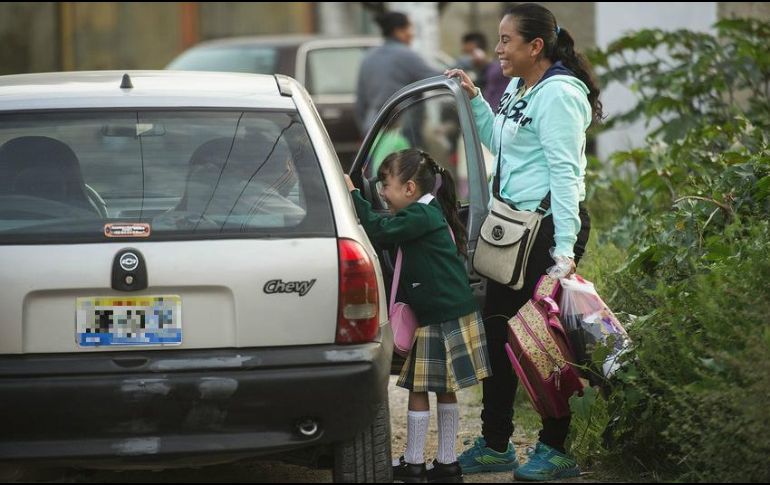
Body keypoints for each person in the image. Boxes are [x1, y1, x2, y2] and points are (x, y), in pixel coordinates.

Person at [446, 3, 602, 481]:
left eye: (507, 41)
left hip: (550, 229)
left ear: (536, 46)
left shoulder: (559, 94)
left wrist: (564, 253)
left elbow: (565, 173)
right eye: (498, 39)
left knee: (540, 341)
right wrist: (474, 98)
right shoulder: (520, 87)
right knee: (498, 334)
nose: (498, 50)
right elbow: (498, 140)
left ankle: (556, 447)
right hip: (513, 229)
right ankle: (496, 444)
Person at [343, 149, 490, 483]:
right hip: (452, 311)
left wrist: (354, 194)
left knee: (419, 391)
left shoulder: (418, 217)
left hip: (439, 316)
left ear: (409, 188)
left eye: (385, 184)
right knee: (446, 390)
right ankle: (447, 464)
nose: (381, 191)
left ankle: (414, 465)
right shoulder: (428, 210)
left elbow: (379, 230)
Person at [355, 12, 440, 133]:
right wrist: (465, 64)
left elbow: (360, 104)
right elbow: (439, 78)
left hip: (373, 128)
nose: (412, 34)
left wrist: (366, 134)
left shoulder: (368, 57)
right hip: (402, 129)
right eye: (409, 28)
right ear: (398, 31)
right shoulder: (406, 55)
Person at [457, 32, 509, 109]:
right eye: (465, 53)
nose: (468, 58)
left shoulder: (496, 71)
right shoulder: (477, 72)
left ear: (480, 53)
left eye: (470, 53)